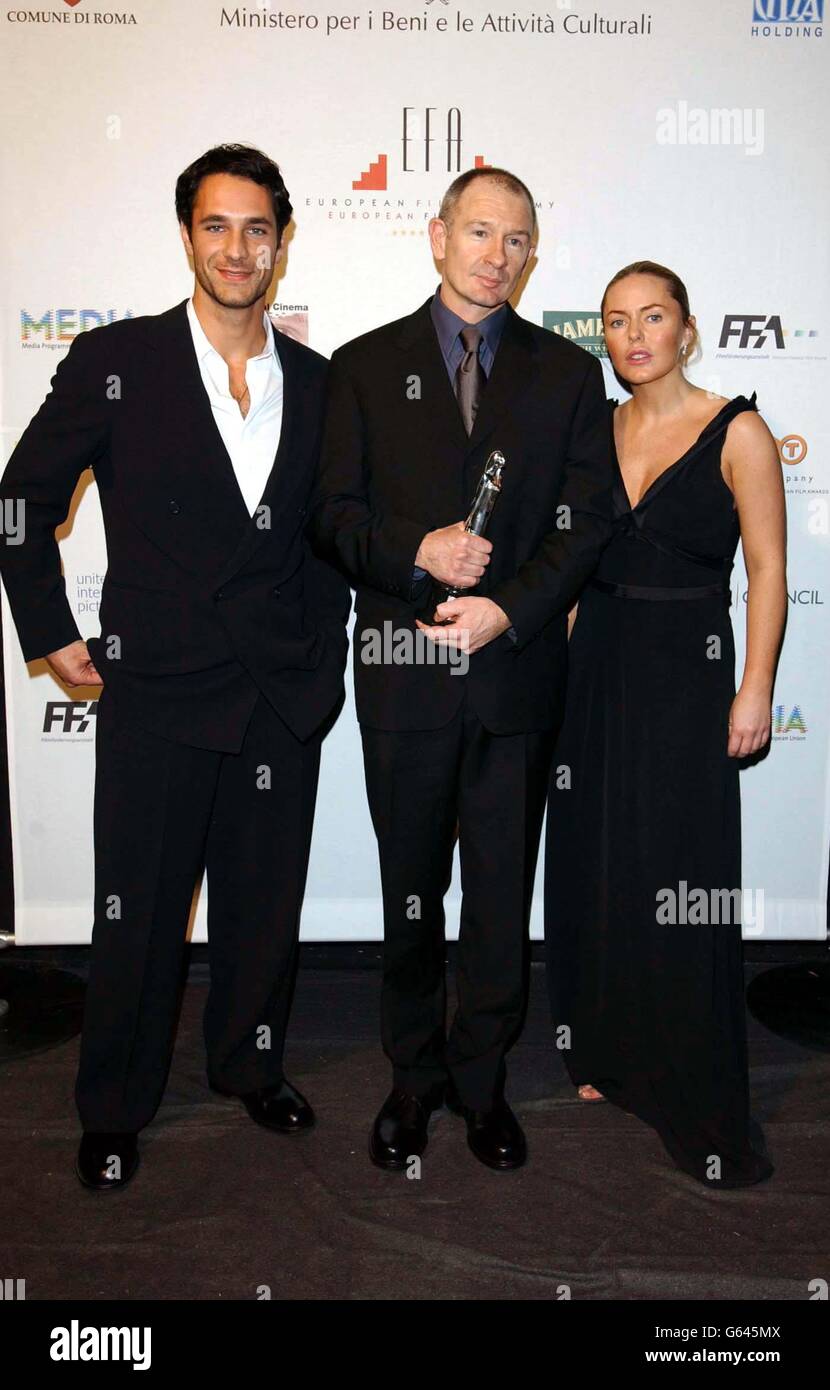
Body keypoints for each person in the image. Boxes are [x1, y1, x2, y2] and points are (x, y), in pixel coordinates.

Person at [0, 144, 350, 1190]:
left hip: (277, 697)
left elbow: (340, 534)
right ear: (187, 235)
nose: (236, 248)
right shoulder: (118, 361)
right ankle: (112, 1105)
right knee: (140, 915)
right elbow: (20, 503)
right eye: (215, 225)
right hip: (158, 693)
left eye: (256, 228)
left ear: (282, 243)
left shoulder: (324, 384)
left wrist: (324, 661)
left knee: (261, 907)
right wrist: (49, 625)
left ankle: (248, 1064)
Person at [310, 167, 615, 1172]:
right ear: (435, 235)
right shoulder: (359, 366)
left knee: (496, 895)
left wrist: (508, 609)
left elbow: (584, 524)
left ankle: (481, 1082)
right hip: (401, 680)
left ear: (532, 253)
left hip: (515, 680)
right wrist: (418, 553)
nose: (497, 254)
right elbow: (332, 518)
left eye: (516, 239)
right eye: (478, 231)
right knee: (410, 892)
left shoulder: (566, 377)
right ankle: (414, 1076)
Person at [545, 260, 785, 1186]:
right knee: (600, 859)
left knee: (679, 868)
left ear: (687, 328)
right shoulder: (593, 430)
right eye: (615, 320)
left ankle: (687, 1079)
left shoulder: (741, 431)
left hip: (691, 670)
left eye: (653, 316)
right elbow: (570, 566)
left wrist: (755, 686)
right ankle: (605, 1048)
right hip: (596, 663)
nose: (633, 334)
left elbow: (766, 570)